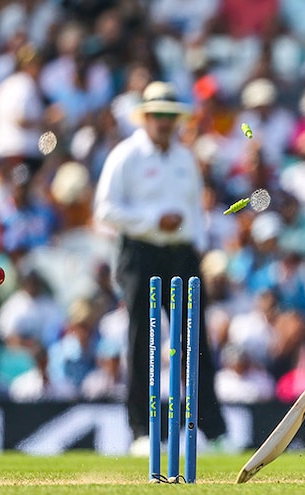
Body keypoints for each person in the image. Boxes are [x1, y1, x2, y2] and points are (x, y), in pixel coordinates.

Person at [93, 81, 227, 454]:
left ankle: (211, 430)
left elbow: (196, 213)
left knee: (194, 340)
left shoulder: (184, 158)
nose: (164, 123)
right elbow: (104, 210)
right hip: (140, 254)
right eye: (158, 117)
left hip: (181, 254)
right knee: (143, 339)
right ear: (146, 118)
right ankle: (141, 431)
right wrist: (153, 221)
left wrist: (198, 250)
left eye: (170, 117)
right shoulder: (126, 155)